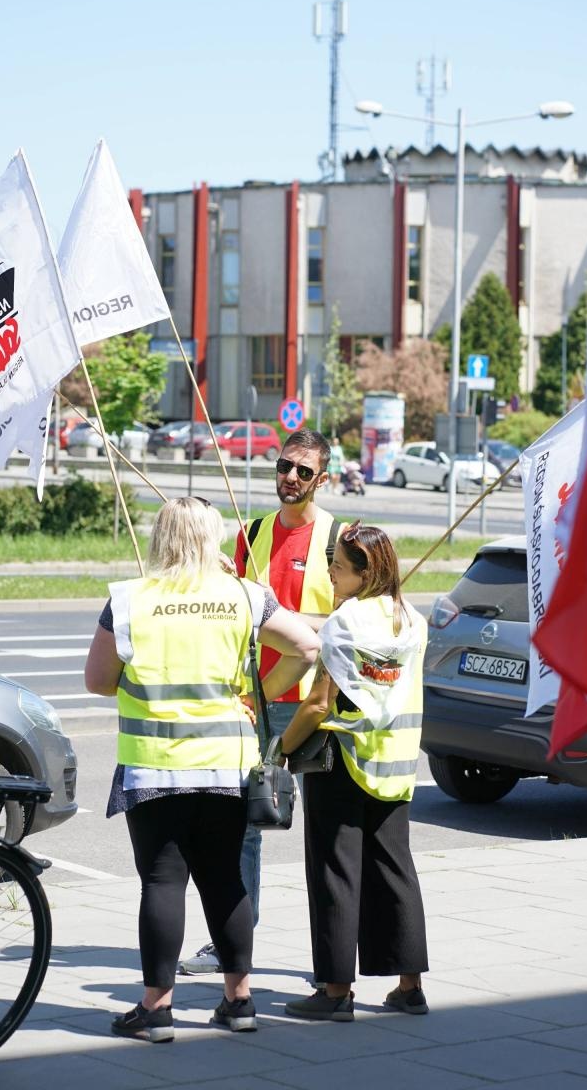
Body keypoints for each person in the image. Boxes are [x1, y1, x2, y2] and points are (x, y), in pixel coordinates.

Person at [84, 496, 319, 1042]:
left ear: (161, 537)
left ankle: (157, 1010)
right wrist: (259, 695)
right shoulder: (243, 596)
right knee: (223, 878)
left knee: (163, 882)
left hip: (155, 766)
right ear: (212, 538)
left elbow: (96, 680)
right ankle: (239, 1003)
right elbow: (307, 646)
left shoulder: (129, 598)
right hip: (226, 765)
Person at [178, 429, 342, 976]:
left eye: (303, 471)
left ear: (323, 479)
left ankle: (335, 950)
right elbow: (242, 612)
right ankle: (233, 942)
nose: (290, 478)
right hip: (259, 698)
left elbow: (347, 625)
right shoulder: (252, 535)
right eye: (283, 466)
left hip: (320, 704)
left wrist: (291, 626)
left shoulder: (337, 539)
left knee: (326, 826)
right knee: (243, 823)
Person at [280, 522, 429, 1022]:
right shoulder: (412, 620)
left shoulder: (345, 622)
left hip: (343, 759)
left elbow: (319, 703)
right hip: (397, 761)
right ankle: (410, 987)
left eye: (339, 567)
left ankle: (336, 990)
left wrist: (280, 747)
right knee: (395, 869)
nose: (330, 573)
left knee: (335, 873)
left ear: (366, 572)